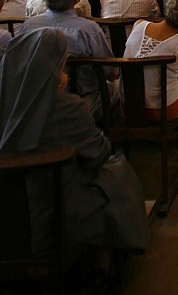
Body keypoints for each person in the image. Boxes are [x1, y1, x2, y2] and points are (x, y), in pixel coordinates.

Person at [0, 27, 149, 256]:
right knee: (119, 172)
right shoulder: (66, 107)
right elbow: (99, 153)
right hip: (54, 212)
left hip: (8, 219)